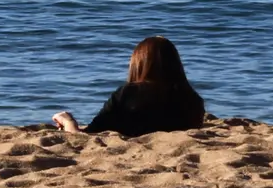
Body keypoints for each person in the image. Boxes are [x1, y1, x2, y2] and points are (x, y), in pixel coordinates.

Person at [52, 35, 205, 137]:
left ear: (137, 64)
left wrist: (68, 121)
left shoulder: (128, 94)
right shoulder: (193, 99)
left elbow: (88, 135)